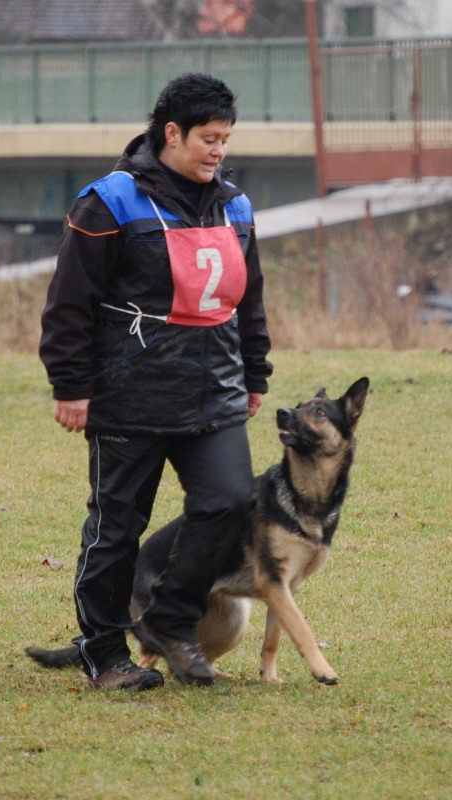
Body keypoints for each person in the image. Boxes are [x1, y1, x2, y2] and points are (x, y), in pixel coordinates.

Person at [39, 73, 272, 691]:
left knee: (230, 505)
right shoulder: (108, 202)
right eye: (208, 138)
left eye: (226, 138)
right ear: (172, 133)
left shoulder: (236, 205)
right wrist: (71, 384)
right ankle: (104, 653)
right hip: (127, 395)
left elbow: (248, 301)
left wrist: (255, 373)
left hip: (215, 393)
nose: (219, 150)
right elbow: (68, 304)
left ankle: (170, 620)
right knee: (117, 529)